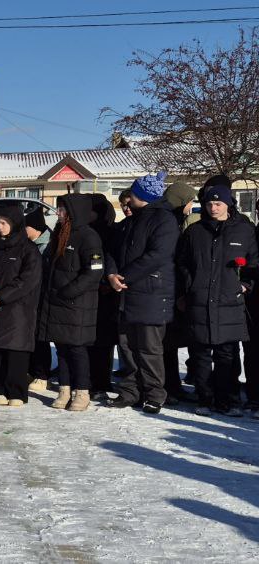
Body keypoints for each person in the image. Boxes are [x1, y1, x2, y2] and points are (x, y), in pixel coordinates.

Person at [177, 186, 258, 417]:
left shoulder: (243, 230)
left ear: (228, 205)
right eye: (210, 204)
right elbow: (182, 262)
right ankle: (205, 398)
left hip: (229, 303)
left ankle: (228, 400)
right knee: (201, 354)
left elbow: (254, 263)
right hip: (200, 301)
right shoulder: (194, 231)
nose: (213, 208)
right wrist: (190, 284)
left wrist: (245, 285)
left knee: (227, 355)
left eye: (218, 204)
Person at [106, 172, 178, 414]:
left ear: (143, 195)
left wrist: (124, 277)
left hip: (151, 294)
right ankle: (130, 391)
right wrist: (111, 274)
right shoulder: (131, 220)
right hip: (126, 293)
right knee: (126, 346)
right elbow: (113, 251)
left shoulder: (163, 220)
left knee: (149, 348)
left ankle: (154, 394)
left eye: (134, 192)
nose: (129, 198)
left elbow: (157, 255)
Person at [39, 194, 106, 412]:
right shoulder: (60, 234)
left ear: (73, 212)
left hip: (76, 304)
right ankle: (64, 389)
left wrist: (69, 292)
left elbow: (94, 271)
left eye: (61, 210)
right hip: (56, 303)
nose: (58, 213)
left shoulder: (89, 236)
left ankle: (82, 391)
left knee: (77, 349)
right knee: (62, 348)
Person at [0, 207, 42, 407]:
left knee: (15, 352)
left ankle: (16, 391)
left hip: (18, 310)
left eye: (4, 223)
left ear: (15, 223)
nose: (0, 227)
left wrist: (2, 297)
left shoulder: (28, 249)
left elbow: (28, 280)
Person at [161, 181, 199, 405]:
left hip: (174, 289)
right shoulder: (169, 222)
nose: (192, 206)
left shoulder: (175, 220)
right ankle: (169, 386)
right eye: (190, 201)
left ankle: (173, 384)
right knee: (167, 343)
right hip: (168, 290)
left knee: (172, 343)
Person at [87, 193, 121, 398]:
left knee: (103, 341)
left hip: (106, 291)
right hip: (94, 291)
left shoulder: (110, 232)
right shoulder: (89, 231)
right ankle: (93, 380)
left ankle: (101, 381)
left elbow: (110, 258)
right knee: (94, 340)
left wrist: (105, 281)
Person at [24, 207, 53, 393]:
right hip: (28, 299)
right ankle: (30, 371)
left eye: (25, 227)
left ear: (35, 229)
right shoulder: (28, 245)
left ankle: (42, 375)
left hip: (44, 298)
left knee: (40, 338)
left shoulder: (49, 245)